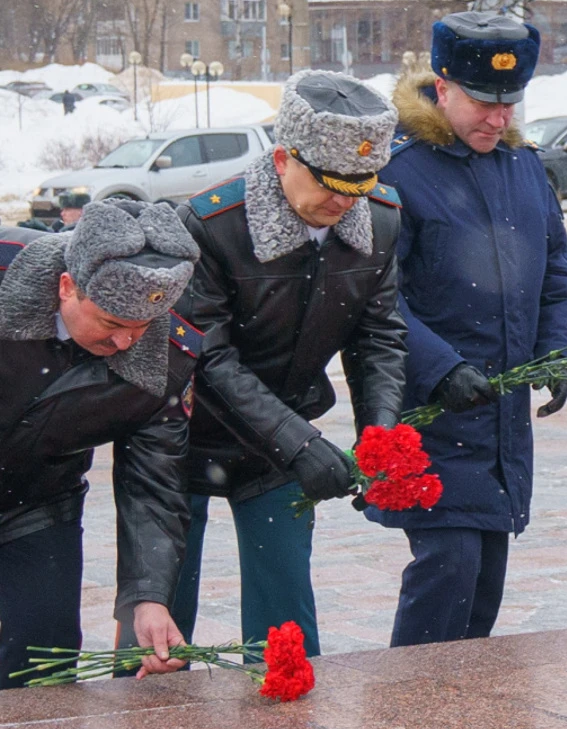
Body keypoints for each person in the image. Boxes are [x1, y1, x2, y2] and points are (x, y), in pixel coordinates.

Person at [154, 71, 407, 658]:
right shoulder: (211, 224)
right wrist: (298, 443)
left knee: (284, 632)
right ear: (281, 158)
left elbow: (378, 336)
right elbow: (207, 358)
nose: (345, 203)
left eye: (361, 183)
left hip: (275, 444)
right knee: (158, 629)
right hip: (178, 437)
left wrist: (381, 433)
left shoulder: (379, 219)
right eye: (330, 184)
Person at [373, 11, 567, 646]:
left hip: (501, 421)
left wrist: (559, 349)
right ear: (442, 90)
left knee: (484, 578)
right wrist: (440, 369)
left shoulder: (523, 168)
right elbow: (378, 300)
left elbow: (554, 270)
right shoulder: (399, 174)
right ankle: (413, 709)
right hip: (433, 416)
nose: (499, 119)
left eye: (510, 104)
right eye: (483, 104)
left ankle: (462, 722)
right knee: (449, 566)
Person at [0, 202, 202, 687]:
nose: (127, 344)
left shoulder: (169, 359)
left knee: (38, 672)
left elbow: (154, 483)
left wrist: (148, 597)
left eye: (143, 327)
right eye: (111, 323)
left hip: (37, 505)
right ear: (67, 286)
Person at [21, 191, 89, 233]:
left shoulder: (86, 232)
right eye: (62, 210)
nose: (62, 214)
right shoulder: (58, 226)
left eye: (67, 210)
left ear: (81, 212)